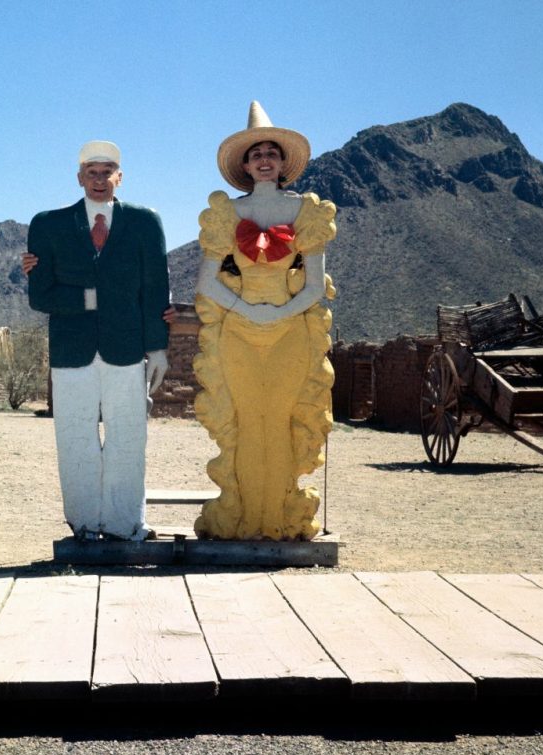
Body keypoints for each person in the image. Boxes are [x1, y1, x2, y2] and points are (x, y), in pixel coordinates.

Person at [193, 102, 337, 541]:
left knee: (280, 418)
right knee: (244, 420)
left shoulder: (306, 212)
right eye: (256, 154)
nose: (264, 160)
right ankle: (239, 516)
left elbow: (315, 286)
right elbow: (207, 281)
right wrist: (248, 310)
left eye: (271, 153)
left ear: (282, 162)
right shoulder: (227, 214)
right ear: (245, 165)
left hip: (290, 331)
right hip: (238, 331)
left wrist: (278, 313)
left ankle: (281, 517)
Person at [27, 140, 171, 541]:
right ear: (79, 178)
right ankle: (85, 524)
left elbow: (155, 288)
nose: (99, 179)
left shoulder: (145, 222)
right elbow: (40, 296)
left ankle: (126, 524)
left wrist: (157, 347)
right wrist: (92, 299)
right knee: (75, 435)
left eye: (107, 172)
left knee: (129, 435)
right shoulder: (48, 224)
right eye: (92, 172)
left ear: (120, 177)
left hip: (127, 348)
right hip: (71, 350)